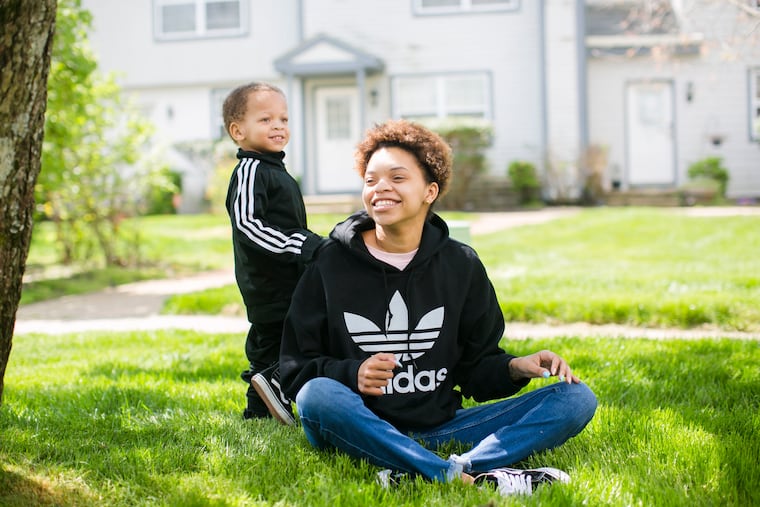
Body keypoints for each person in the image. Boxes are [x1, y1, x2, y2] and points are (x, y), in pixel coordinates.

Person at [279, 119, 597, 496]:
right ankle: (452, 474)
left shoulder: (460, 264)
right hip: (359, 422)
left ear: (430, 191)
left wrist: (515, 367)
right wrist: (351, 373)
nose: (380, 187)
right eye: (371, 180)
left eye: (397, 178)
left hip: (443, 427)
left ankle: (428, 468)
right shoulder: (329, 262)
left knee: (576, 398)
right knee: (316, 396)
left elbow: (475, 369)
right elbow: (295, 368)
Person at [223, 82, 324, 425]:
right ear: (238, 131)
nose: (278, 126)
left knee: (274, 343)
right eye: (266, 119)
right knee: (287, 336)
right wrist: (302, 245)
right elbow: (249, 225)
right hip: (269, 281)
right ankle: (276, 380)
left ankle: (259, 411)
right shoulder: (251, 171)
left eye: (283, 118)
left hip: (287, 277)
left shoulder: (273, 170)